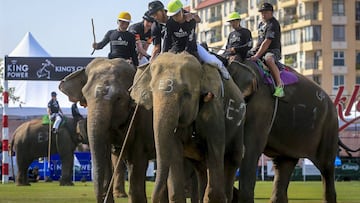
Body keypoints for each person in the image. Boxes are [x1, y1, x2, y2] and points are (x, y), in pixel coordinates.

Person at [162, 0, 230, 79]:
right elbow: (167, 40)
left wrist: (185, 54)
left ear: (181, 10)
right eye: (173, 15)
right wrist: (164, 54)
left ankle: (224, 71)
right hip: (176, 48)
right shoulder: (170, 23)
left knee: (210, 60)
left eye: (177, 14)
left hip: (192, 47)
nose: (175, 17)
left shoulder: (191, 21)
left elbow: (190, 40)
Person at [249, 3, 284, 97]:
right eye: (262, 12)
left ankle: (279, 86)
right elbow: (260, 40)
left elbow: (267, 42)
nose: (263, 14)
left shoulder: (273, 24)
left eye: (266, 12)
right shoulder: (261, 24)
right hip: (261, 49)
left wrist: (256, 56)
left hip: (272, 50)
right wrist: (253, 50)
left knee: (269, 59)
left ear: (271, 13)